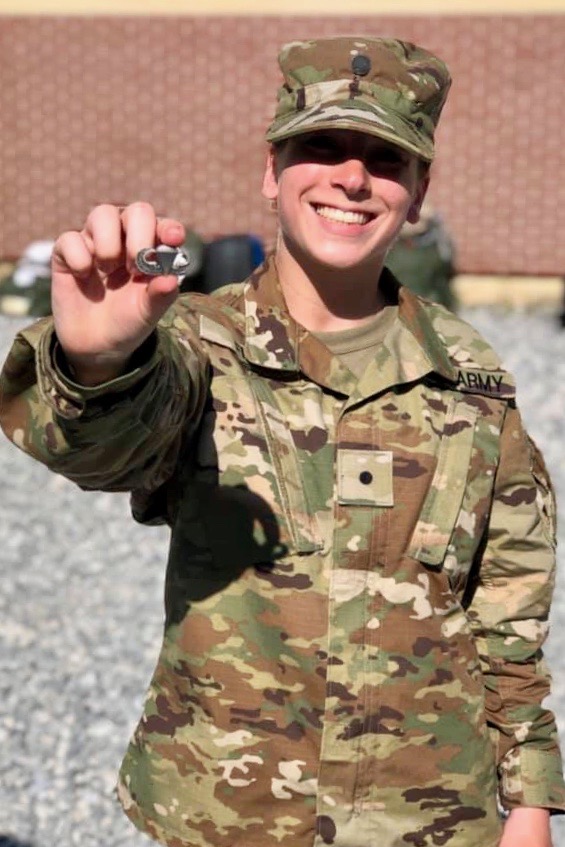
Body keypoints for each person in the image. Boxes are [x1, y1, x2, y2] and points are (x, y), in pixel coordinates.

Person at [0, 35, 563, 847]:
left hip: (429, 819)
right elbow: (104, 441)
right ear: (271, 170)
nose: (352, 176)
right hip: (228, 814)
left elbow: (509, 610)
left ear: (417, 188)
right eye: (322, 146)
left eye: (385, 157)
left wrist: (531, 803)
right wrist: (96, 358)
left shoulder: (469, 374)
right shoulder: (198, 346)